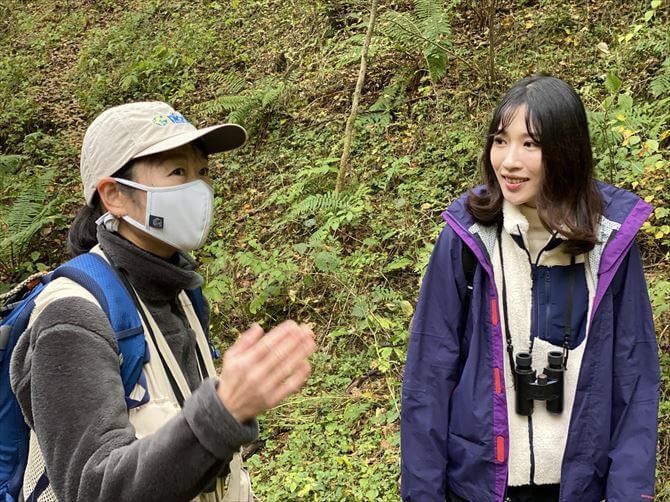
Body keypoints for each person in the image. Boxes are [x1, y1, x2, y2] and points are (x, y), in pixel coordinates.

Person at [9, 101, 316, 501]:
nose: (199, 188)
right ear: (114, 195)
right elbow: (94, 488)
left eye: (203, 172)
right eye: (178, 172)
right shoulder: (73, 316)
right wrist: (221, 413)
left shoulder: (180, 290)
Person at [400, 75, 659, 502]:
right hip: (482, 487)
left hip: (579, 486)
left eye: (531, 145)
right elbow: (428, 377)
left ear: (566, 151)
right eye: (500, 141)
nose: (509, 161)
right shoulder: (468, 237)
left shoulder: (610, 241)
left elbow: (634, 382)